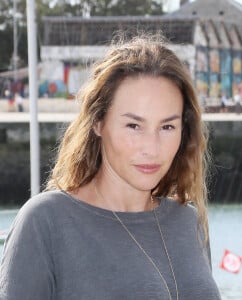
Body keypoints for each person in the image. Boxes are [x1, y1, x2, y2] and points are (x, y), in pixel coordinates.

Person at [0, 34, 221, 300]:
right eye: (133, 126)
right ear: (98, 122)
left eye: (167, 127)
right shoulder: (46, 222)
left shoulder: (188, 222)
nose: (151, 148)